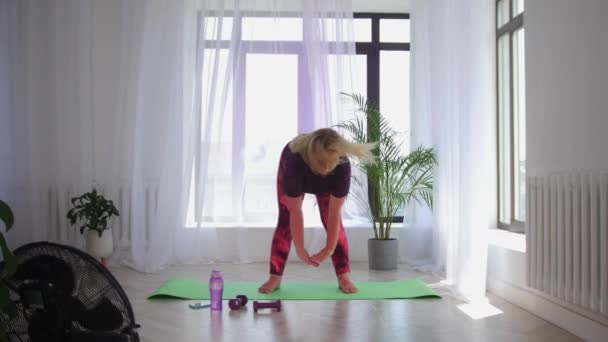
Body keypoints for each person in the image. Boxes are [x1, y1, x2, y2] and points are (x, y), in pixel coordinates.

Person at [258, 128, 375, 294]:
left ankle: (344, 276)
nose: (326, 168)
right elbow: (294, 212)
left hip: (326, 180)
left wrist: (328, 249)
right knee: (285, 219)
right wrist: (300, 248)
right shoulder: (294, 161)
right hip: (301, 171)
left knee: (332, 220)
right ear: (312, 157)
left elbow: (334, 214)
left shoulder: (341, 166)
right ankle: (275, 277)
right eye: (322, 163)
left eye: (330, 162)